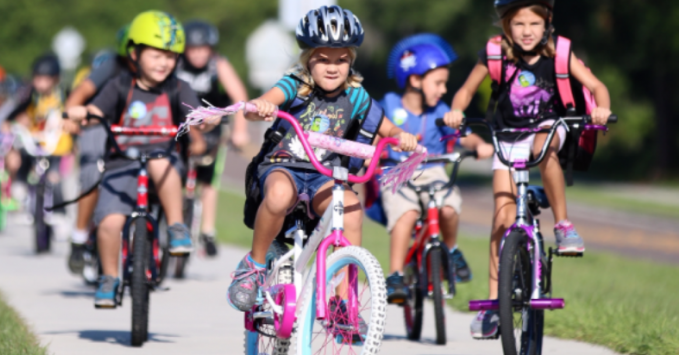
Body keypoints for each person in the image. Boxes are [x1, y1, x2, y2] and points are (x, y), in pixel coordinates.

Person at [226, 6, 419, 324]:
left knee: (351, 208)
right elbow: (259, 104)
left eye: (341, 59)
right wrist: (259, 107)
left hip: (324, 175)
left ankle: (344, 300)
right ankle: (255, 266)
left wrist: (403, 137)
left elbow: (387, 129)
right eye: (323, 59)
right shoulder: (294, 85)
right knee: (277, 197)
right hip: (283, 165)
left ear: (351, 60)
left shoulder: (356, 96)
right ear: (308, 59)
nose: (332, 68)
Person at [442, 0, 612, 339]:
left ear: (547, 22)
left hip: (551, 128)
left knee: (543, 146)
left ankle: (563, 224)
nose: (526, 31)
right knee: (502, 217)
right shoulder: (495, 54)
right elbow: (464, 92)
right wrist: (456, 112)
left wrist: (602, 108)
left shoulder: (560, 54)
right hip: (506, 137)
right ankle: (495, 302)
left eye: (534, 23)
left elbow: (596, 87)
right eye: (518, 24)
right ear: (506, 25)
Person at [64, 10, 207, 308]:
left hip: (163, 166)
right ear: (135, 53)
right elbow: (98, 111)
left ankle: (177, 226)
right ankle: (109, 277)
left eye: (170, 56)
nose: (164, 62)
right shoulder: (119, 85)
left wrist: (207, 121)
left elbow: (197, 114)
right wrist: (83, 114)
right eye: (156, 55)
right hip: (121, 166)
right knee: (108, 223)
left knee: (157, 158)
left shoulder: (179, 88)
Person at [380, 35, 494, 304]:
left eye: (445, 83)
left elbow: (462, 135)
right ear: (415, 80)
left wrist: (480, 145)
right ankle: (396, 274)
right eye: (438, 83)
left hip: (433, 171)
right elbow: (374, 132)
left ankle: (452, 250)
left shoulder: (440, 110)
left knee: (448, 206)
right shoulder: (389, 105)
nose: (443, 90)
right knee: (405, 214)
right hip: (397, 172)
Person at [176, 20, 250, 256]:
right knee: (173, 172)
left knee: (209, 179)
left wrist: (240, 131)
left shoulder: (218, 65)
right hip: (181, 125)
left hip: (212, 126)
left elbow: (239, 97)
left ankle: (207, 230)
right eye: (193, 48)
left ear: (211, 48)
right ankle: (173, 221)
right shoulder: (175, 64)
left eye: (203, 48)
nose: (198, 53)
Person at [65, 25, 133, 275]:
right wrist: (71, 114)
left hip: (134, 130)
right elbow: (82, 91)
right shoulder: (112, 66)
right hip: (98, 122)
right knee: (93, 174)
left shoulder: (162, 70)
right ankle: (79, 236)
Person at [8, 54, 74, 215]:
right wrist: (10, 122)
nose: (40, 83)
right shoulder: (33, 96)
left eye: (44, 79)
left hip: (57, 144)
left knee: (54, 179)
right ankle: (20, 184)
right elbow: (19, 110)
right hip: (37, 140)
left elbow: (74, 113)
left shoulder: (64, 94)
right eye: (37, 79)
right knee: (23, 154)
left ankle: (59, 215)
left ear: (55, 79)